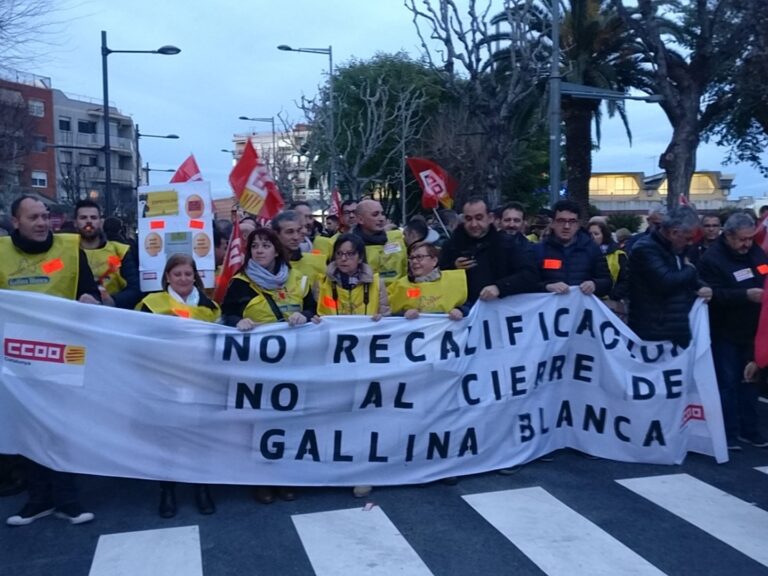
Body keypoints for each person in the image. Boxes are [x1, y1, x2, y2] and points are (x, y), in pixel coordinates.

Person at [1, 195, 100, 527]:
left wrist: (91, 299)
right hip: (18, 359)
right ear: (15, 222)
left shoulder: (69, 249)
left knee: (61, 426)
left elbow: (89, 293)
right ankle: (39, 499)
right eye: (34, 218)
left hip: (63, 352)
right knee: (29, 428)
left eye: (46, 216)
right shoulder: (1, 253)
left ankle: (67, 499)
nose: (43, 223)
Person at [222, 228, 316, 504]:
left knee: (291, 421)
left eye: (265, 246)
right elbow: (226, 314)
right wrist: (237, 322)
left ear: (277, 250)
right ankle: (262, 479)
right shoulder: (240, 283)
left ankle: (286, 476)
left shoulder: (299, 279)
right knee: (262, 424)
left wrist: (306, 314)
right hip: (257, 367)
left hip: (295, 364)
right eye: (255, 247)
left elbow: (314, 309)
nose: (259, 251)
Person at [136, 254, 220, 517]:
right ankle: (167, 489)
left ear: (195, 276)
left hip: (199, 381)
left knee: (200, 438)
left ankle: (201, 487)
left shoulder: (210, 306)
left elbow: (218, 345)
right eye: (177, 274)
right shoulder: (150, 304)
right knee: (167, 439)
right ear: (167, 277)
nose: (183, 279)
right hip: (164, 382)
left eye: (188, 274)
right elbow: (138, 342)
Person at [313, 232, 389, 498]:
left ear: (360, 257)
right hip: (333, 360)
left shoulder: (377, 284)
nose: (344, 259)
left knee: (365, 418)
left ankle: (362, 471)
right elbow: (315, 313)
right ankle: (334, 468)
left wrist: (384, 320)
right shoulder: (320, 282)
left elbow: (390, 319)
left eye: (350, 254)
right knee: (335, 416)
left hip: (366, 361)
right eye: (340, 254)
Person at [697, 212, 768, 450]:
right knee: (727, 383)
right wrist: (744, 295)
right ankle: (727, 432)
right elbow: (711, 294)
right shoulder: (712, 258)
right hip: (724, 330)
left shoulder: (755, 252)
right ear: (728, 235)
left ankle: (750, 430)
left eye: (750, 238)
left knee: (750, 380)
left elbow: (764, 273)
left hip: (753, 330)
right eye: (741, 239)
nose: (746, 244)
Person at [628, 205, 712, 347]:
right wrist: (690, 269)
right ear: (674, 233)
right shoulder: (645, 248)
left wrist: (702, 287)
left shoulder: (677, 247)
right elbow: (666, 281)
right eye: (688, 238)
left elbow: (685, 278)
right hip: (653, 332)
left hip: (677, 329)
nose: (691, 243)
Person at [440, 197, 538, 308]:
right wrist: (453, 267)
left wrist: (500, 287)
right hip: (461, 314)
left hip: (500, 311)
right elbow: (437, 278)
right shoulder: (451, 246)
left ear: (490, 218)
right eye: (468, 219)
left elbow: (529, 275)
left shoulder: (508, 244)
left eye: (479, 218)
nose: (474, 224)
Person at [534, 200, 612, 298]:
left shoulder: (592, 249)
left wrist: (594, 284)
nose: (566, 226)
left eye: (572, 221)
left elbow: (607, 282)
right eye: (561, 221)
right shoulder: (539, 250)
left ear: (578, 224)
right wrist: (547, 287)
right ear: (552, 223)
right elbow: (529, 284)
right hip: (549, 310)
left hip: (582, 310)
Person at [73, 199, 142, 309]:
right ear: (75, 222)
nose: (89, 221)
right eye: (83, 218)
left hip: (114, 314)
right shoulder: (66, 252)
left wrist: (113, 300)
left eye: (93, 217)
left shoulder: (119, 251)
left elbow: (135, 288)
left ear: (101, 222)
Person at [388, 241, 467, 320]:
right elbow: (386, 314)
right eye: (411, 258)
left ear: (434, 261)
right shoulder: (399, 285)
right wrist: (403, 314)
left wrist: (461, 310)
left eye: (419, 257)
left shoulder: (454, 279)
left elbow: (472, 304)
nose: (414, 262)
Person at [353, 199, 407, 284]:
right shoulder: (350, 245)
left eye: (382, 214)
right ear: (360, 219)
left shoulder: (397, 237)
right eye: (375, 215)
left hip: (399, 293)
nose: (381, 218)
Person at [272, 210, 326, 283]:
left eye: (298, 231)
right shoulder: (266, 265)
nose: (296, 237)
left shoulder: (317, 263)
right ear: (276, 234)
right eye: (290, 232)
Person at [588, 219, 630, 308]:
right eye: (590, 234)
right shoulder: (581, 253)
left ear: (604, 235)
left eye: (596, 234)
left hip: (610, 302)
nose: (592, 237)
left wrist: (612, 296)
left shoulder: (618, 254)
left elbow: (625, 280)